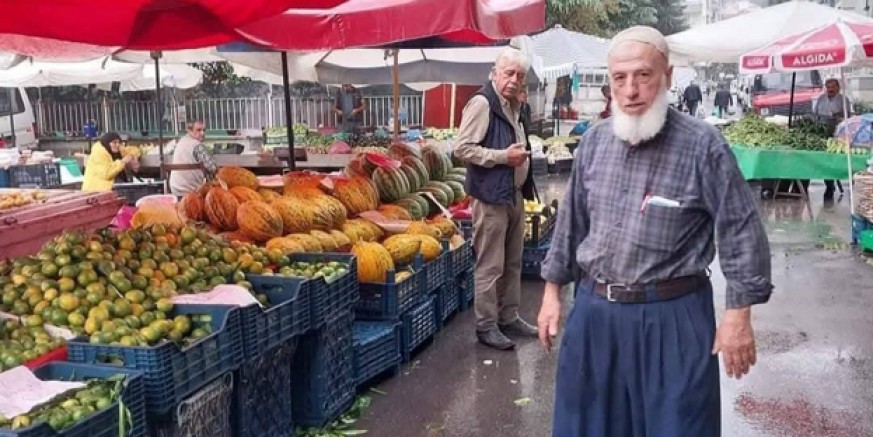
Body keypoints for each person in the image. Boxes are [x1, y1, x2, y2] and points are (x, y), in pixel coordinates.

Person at [537, 26, 773, 436]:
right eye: (619, 78)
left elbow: (741, 228)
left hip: (673, 318)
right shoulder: (593, 143)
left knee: (678, 427)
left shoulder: (703, 145)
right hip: (596, 315)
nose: (630, 90)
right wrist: (552, 293)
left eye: (643, 75)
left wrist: (738, 315)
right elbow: (571, 225)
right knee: (588, 427)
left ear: (667, 75)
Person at [454, 47, 539, 351]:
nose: (514, 80)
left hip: (513, 194)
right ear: (494, 73)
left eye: (519, 75)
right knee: (491, 265)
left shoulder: (515, 105)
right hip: (490, 197)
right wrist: (503, 157)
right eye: (509, 73)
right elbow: (462, 149)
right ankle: (486, 325)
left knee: (513, 262)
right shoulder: (482, 103)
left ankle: (509, 316)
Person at [814, 78, 852, 200]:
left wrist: (838, 117)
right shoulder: (821, 99)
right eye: (828, 87)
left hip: (838, 134)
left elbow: (848, 117)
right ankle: (829, 185)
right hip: (822, 133)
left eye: (832, 87)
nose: (830, 89)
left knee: (835, 159)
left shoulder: (843, 100)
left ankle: (838, 182)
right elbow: (815, 115)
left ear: (838, 88)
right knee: (824, 160)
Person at [169, 120, 217, 197]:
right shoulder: (197, 146)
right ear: (189, 130)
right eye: (198, 130)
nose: (202, 133)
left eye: (204, 130)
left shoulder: (181, 141)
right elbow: (213, 168)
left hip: (175, 189)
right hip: (192, 191)